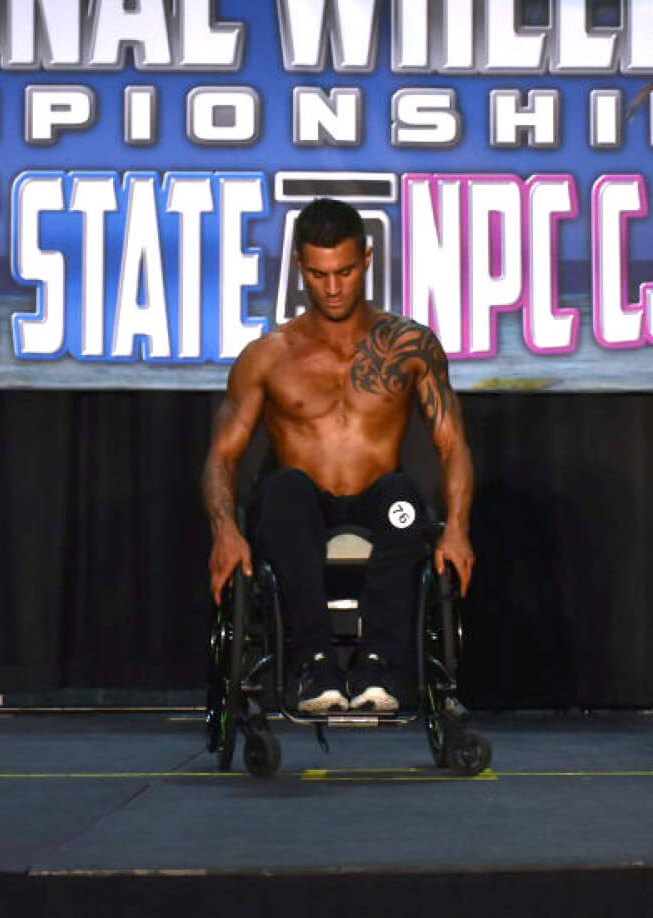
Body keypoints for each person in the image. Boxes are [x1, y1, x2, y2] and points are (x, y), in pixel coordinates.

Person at [202, 197, 476, 714]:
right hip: (299, 509)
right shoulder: (269, 357)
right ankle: (315, 666)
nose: (332, 287)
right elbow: (222, 456)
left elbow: (452, 443)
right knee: (284, 488)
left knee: (404, 497)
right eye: (319, 274)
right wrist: (225, 531)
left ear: (367, 260)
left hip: (378, 504)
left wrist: (458, 528)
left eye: (345, 272)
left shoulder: (411, 346)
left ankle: (380, 668)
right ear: (300, 267)